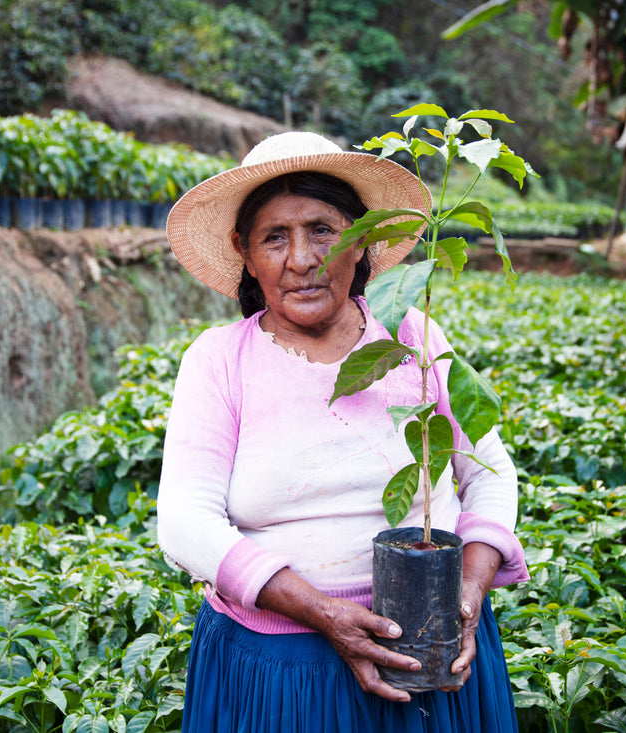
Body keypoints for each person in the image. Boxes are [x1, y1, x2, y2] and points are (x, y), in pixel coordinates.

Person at [158, 130, 529, 732]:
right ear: (244, 253)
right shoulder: (219, 360)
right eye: (274, 237)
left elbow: (488, 471)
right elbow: (183, 524)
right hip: (282, 670)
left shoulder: (412, 335)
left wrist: (469, 587)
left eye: (323, 231)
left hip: (428, 649)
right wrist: (324, 613)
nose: (301, 259)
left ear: (362, 240)